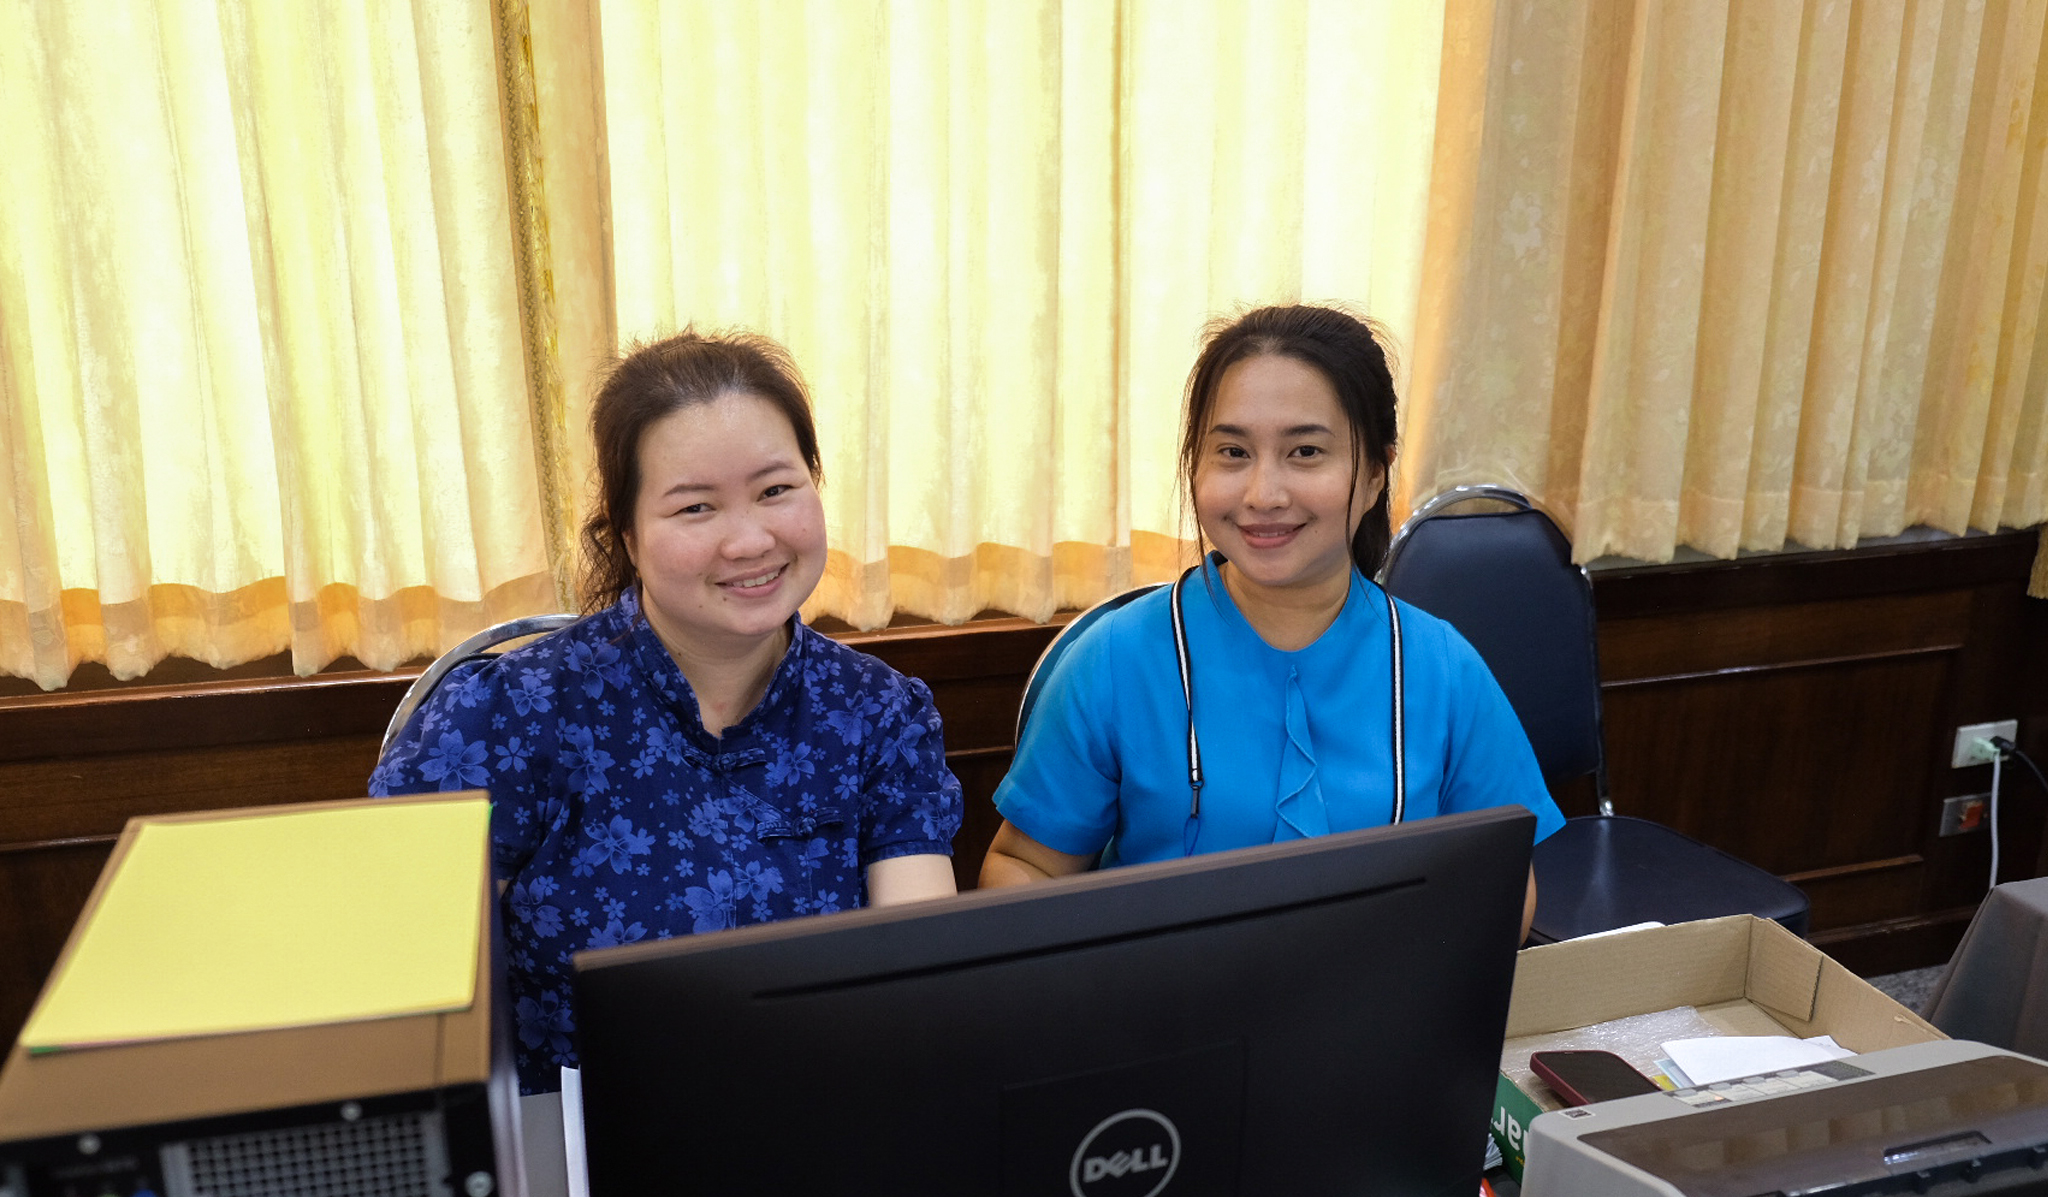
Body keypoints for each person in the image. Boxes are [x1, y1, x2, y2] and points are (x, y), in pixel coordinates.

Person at [373, 329, 963, 1092]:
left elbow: (919, 987)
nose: (749, 539)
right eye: (695, 507)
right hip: (575, 1161)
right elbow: (400, 976)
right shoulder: (508, 714)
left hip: (824, 1129)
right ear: (627, 534)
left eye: (777, 489)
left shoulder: (881, 715)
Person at [980, 304, 1560, 934]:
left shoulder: (1442, 667)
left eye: (1305, 451)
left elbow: (1504, 882)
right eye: (1232, 451)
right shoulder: (1117, 658)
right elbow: (1025, 866)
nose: (1263, 494)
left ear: (1373, 474)